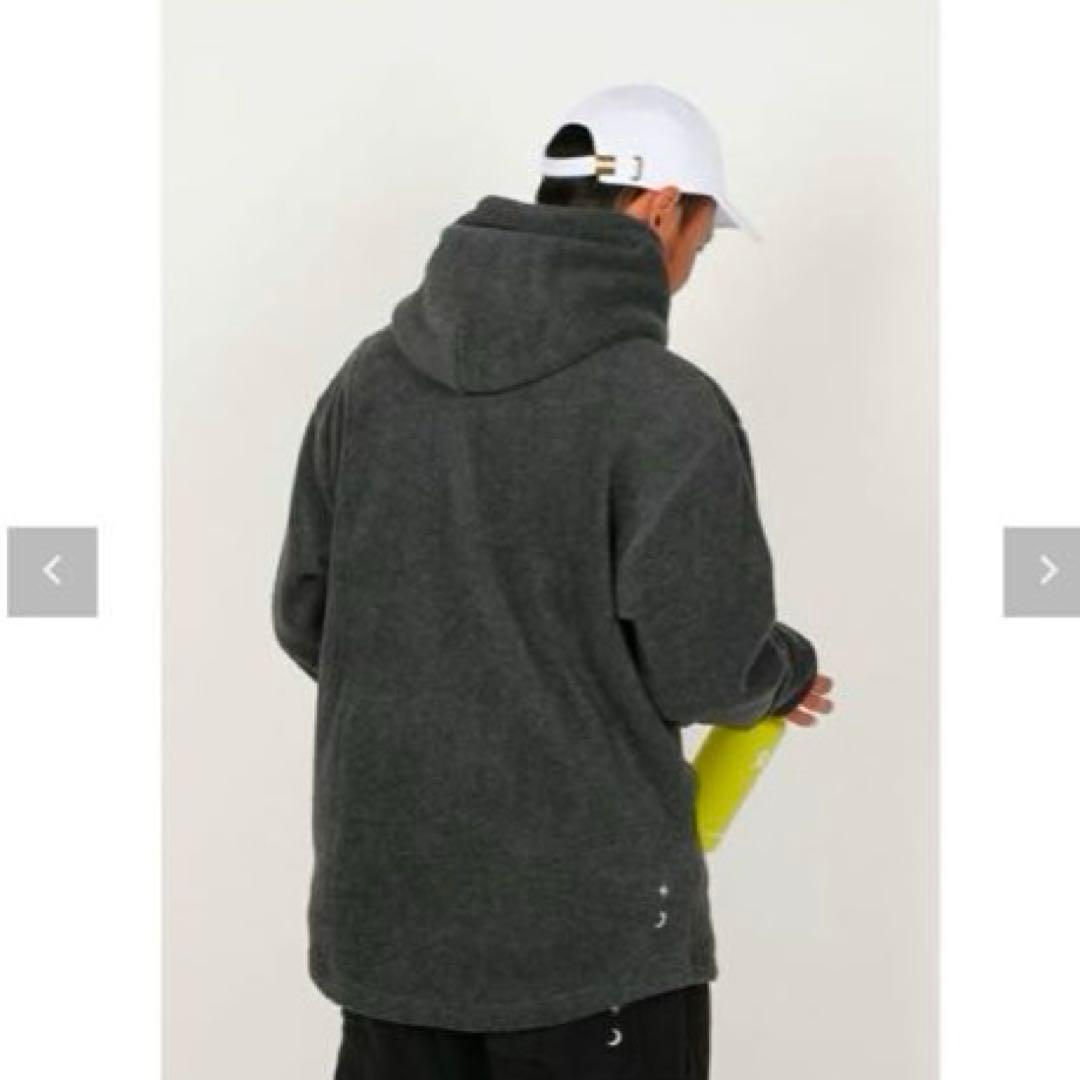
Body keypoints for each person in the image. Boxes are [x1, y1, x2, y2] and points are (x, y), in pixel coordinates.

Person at [272, 82, 835, 1080]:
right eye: (698, 243)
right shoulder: (663, 406)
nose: (686, 270)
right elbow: (706, 667)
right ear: (661, 207)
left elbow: (309, 615)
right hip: (591, 948)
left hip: (391, 921)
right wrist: (782, 669)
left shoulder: (370, 380)